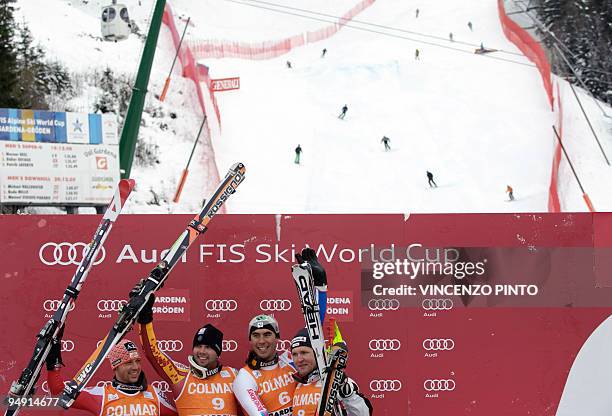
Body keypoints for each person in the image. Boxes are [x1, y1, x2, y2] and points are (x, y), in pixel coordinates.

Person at [136, 292, 239, 416]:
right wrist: (145, 319)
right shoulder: (180, 375)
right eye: (198, 346)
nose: (201, 351)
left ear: (218, 352)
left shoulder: (234, 376)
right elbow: (152, 352)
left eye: (208, 347)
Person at [45, 336, 177, 416]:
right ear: (116, 366)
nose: (136, 367)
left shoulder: (155, 394)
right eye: (129, 363)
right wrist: (53, 365)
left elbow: (185, 413)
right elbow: (59, 394)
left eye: (137, 361)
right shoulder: (101, 395)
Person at [291, 328, 372, 415]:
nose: (299, 359)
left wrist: (345, 389)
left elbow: (363, 414)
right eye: (295, 354)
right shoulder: (296, 384)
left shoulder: (335, 380)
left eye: (304, 352)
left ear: (317, 354)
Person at [232, 315, 296, 416]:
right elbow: (261, 414)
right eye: (256, 335)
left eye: (267, 334)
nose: (261, 341)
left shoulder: (290, 360)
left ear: (277, 337)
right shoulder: (245, 377)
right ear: (250, 339)